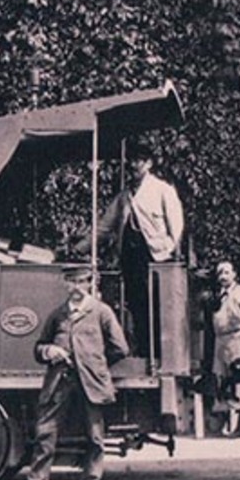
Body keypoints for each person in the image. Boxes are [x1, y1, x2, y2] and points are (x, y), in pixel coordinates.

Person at [8, 265, 129, 480]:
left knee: (94, 437)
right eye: (71, 282)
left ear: (90, 283)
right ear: (65, 284)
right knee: (45, 435)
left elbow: (121, 348)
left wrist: (94, 364)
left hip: (91, 383)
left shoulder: (101, 312)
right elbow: (38, 348)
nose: (76, 287)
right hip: (58, 383)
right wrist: (49, 350)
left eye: (81, 281)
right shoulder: (57, 315)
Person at [98, 136, 184, 348]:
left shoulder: (162, 189)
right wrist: (78, 247)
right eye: (133, 160)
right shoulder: (125, 195)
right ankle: (145, 350)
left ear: (149, 164)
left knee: (156, 304)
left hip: (155, 255)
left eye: (140, 160)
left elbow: (177, 224)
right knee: (136, 304)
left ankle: (160, 351)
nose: (135, 165)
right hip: (130, 255)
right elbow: (104, 226)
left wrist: (168, 250)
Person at [209, 259, 240, 432]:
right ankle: (224, 422)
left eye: (227, 272)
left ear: (235, 274)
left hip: (239, 339)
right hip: (221, 341)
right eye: (220, 273)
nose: (223, 276)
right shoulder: (217, 295)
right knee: (223, 380)